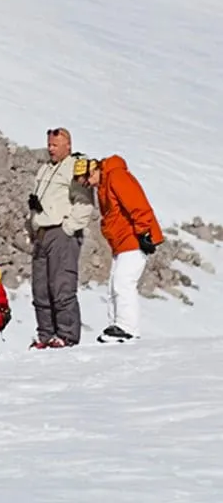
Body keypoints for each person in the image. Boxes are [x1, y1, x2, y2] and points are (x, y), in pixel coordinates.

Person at [79, 156, 163, 343]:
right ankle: (116, 326)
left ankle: (128, 328)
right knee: (113, 286)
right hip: (121, 243)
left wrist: (143, 233)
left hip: (134, 239)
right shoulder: (102, 185)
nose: (85, 184)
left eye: (84, 179)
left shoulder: (116, 176)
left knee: (123, 282)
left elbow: (137, 204)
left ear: (92, 171)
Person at [28, 127, 96, 348]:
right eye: (49, 144)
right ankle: (46, 334)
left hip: (60, 232)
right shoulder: (45, 169)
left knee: (61, 285)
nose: (50, 149)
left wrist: (68, 228)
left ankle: (66, 335)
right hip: (41, 233)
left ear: (68, 145)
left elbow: (84, 201)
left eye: (55, 145)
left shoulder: (74, 167)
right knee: (41, 287)